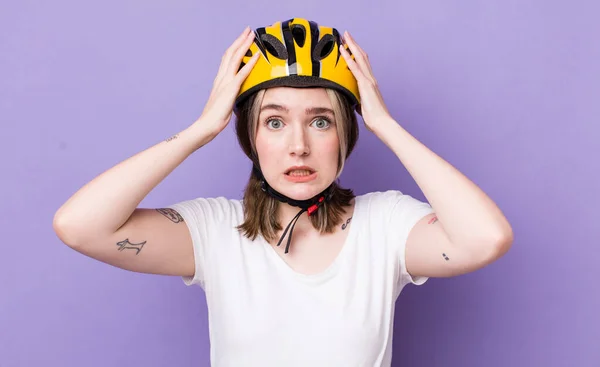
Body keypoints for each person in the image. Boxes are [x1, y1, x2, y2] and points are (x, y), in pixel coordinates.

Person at [53, 18, 513, 367]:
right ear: (250, 137)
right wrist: (200, 129)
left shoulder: (386, 225)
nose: (299, 145)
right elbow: (79, 226)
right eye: (274, 121)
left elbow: (485, 238)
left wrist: (387, 126)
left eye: (321, 121)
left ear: (346, 135)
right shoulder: (215, 232)